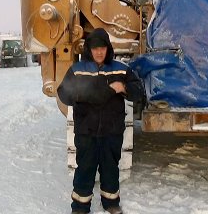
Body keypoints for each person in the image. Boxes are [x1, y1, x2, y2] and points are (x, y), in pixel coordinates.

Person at [57, 28, 144, 214]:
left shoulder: (120, 68)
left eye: (102, 48)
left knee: (110, 168)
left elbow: (138, 92)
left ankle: (111, 203)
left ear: (108, 49)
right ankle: (80, 206)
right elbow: (63, 93)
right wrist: (83, 94)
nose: (99, 52)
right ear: (89, 49)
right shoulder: (77, 70)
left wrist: (123, 87)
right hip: (86, 131)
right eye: (95, 48)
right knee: (85, 169)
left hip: (111, 130)